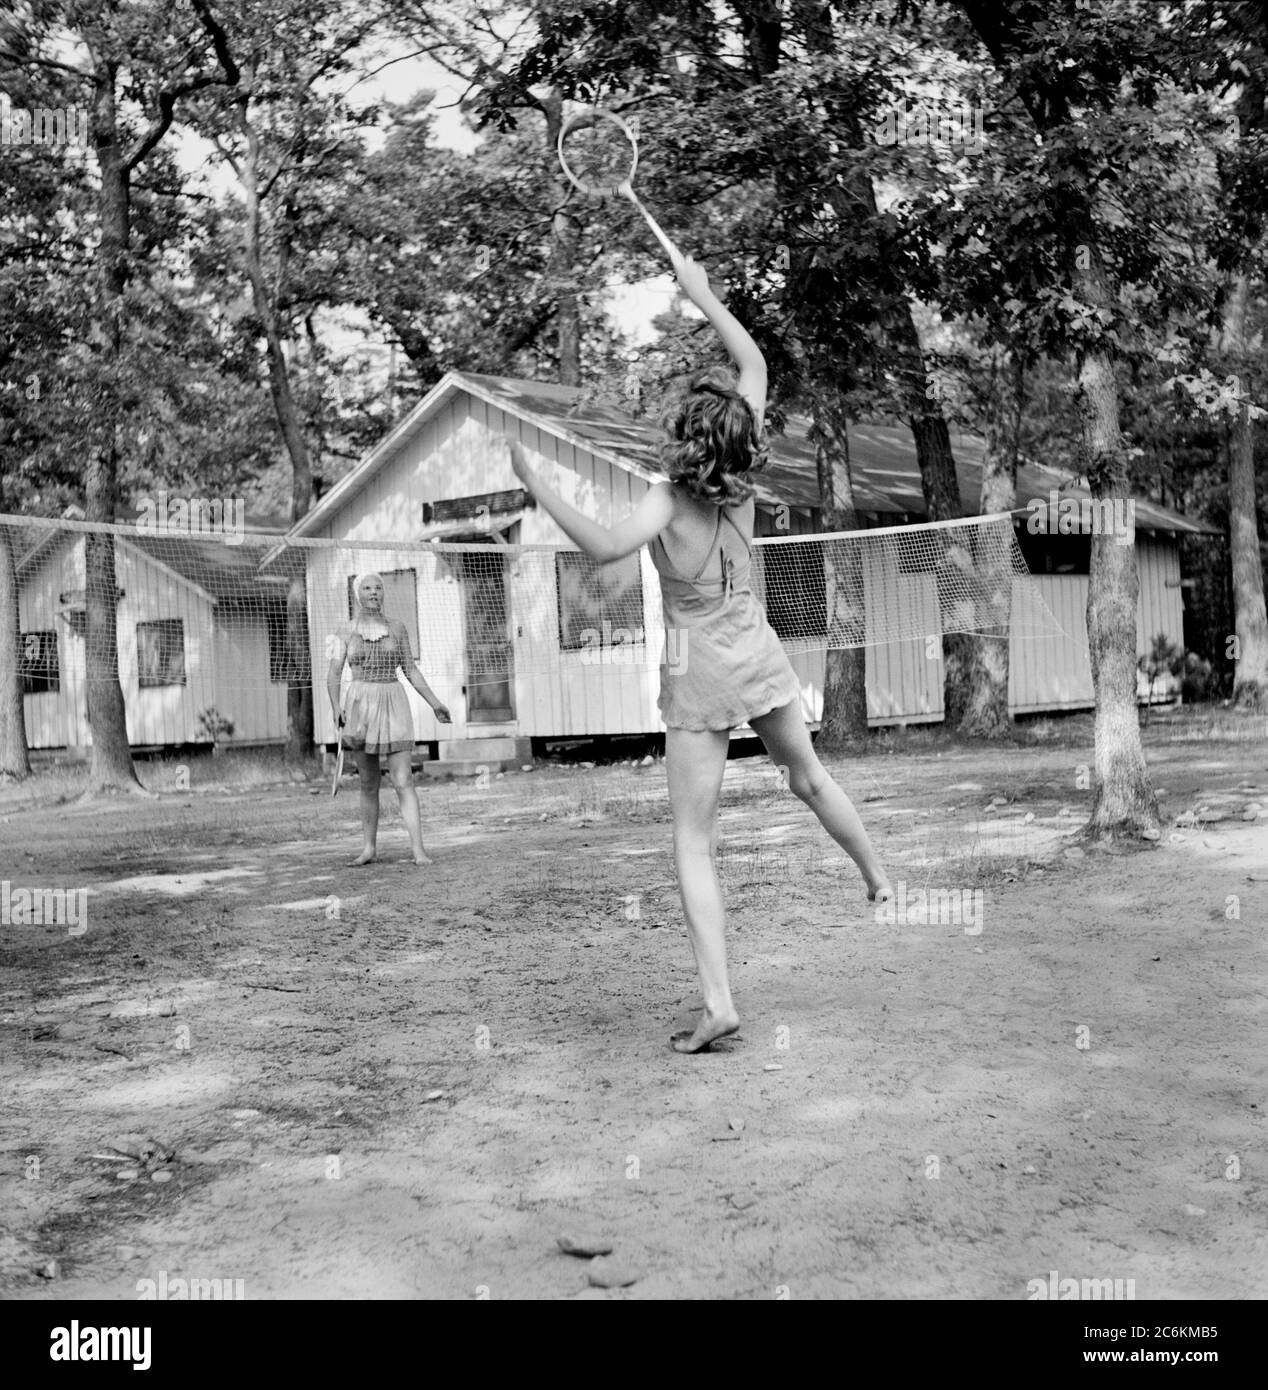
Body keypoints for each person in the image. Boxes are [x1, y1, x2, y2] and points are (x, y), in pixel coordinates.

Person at [509, 254, 892, 1054]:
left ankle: (719, 1001)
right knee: (809, 777)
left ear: (684, 439)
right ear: (737, 437)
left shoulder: (666, 499)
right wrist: (704, 296)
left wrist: (538, 484)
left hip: (697, 666)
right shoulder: (742, 476)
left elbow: (607, 548)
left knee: (692, 840)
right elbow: (754, 362)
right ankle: (876, 877)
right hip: (755, 647)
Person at [327, 572, 451, 866]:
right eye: (367, 588)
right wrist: (335, 707)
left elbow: (410, 669)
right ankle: (369, 848)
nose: (374, 592)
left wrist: (435, 703)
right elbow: (332, 675)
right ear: (358, 595)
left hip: (393, 702)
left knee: (403, 779)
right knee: (368, 783)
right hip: (359, 705)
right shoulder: (344, 631)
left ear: (384, 593)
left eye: (378, 588)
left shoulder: (397, 627)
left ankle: (418, 850)